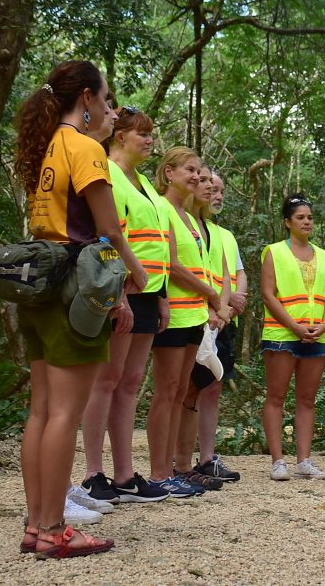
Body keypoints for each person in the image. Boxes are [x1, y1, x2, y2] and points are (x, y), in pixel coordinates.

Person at [14, 61, 147, 558]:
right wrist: (134, 275)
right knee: (65, 412)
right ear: (87, 97)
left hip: (38, 283)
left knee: (43, 410)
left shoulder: (44, 147)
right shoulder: (85, 148)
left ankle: (36, 525)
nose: (110, 107)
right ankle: (53, 529)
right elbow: (108, 228)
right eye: (107, 98)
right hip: (75, 284)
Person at [79, 106, 170, 505]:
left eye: (151, 134)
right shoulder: (110, 174)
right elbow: (108, 235)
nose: (150, 140)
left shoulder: (145, 182)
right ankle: (92, 474)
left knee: (131, 383)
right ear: (120, 137)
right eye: (142, 134)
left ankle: (125, 474)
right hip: (122, 289)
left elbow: (156, 242)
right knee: (106, 379)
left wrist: (162, 296)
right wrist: (118, 295)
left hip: (150, 291)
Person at [146, 148, 228, 497]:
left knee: (181, 391)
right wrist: (212, 293)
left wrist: (212, 303)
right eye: (190, 171)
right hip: (173, 314)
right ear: (168, 173)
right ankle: (158, 472)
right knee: (166, 392)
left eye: (200, 172)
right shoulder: (162, 208)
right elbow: (173, 265)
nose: (197, 177)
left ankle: (177, 469)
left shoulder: (191, 217)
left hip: (195, 315)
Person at [175, 169, 245, 484]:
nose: (215, 195)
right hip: (194, 315)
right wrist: (215, 306)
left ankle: (206, 457)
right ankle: (177, 463)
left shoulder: (222, 234)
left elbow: (235, 274)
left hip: (221, 318)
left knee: (211, 385)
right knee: (184, 388)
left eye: (220, 191)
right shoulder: (183, 223)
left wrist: (227, 307)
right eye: (210, 188)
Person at [260, 194, 325, 481]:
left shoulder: (323, 255)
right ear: (287, 222)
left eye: (310, 217)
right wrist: (293, 326)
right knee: (277, 396)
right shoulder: (274, 251)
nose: (306, 222)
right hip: (282, 333)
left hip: (316, 335)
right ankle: (278, 460)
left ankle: (304, 460)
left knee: (307, 399)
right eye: (300, 217)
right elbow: (268, 294)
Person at [170, 167, 228, 491]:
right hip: (180, 314)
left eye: (209, 181)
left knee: (191, 392)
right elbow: (174, 264)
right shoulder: (172, 213)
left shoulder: (204, 226)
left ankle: (182, 464)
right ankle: (165, 469)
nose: (208, 187)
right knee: (174, 391)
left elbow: (218, 271)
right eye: (202, 180)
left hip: (204, 316)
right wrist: (211, 298)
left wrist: (219, 307)